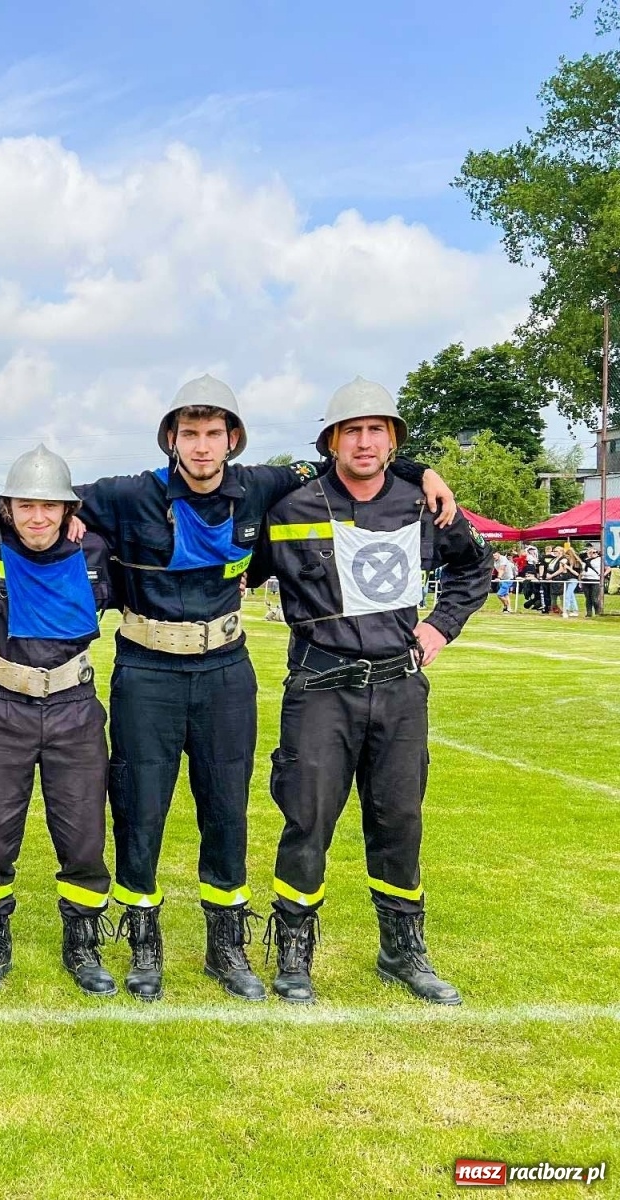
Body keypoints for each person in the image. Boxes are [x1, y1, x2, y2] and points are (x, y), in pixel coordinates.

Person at [0, 375, 454, 1001]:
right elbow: (40, 495)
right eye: (189, 433)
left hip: (225, 670)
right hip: (145, 671)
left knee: (226, 811)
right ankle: (145, 946)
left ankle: (227, 946)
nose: (201, 446)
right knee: (139, 811)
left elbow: (352, 457)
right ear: (171, 439)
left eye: (214, 434)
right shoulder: (126, 495)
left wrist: (422, 471)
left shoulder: (267, 485)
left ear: (233, 440)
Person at [257, 378, 489, 1006]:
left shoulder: (423, 503)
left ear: (393, 441)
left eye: (377, 431)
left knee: (400, 821)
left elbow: (476, 567)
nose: (365, 442)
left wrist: (441, 625)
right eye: (352, 430)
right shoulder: (288, 506)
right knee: (307, 818)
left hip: (399, 688)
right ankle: (296, 952)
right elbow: (234, 566)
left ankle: (402, 951)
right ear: (331, 440)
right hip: (319, 688)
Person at [0, 446, 119, 998]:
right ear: (7, 508)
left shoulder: (95, 548)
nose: (37, 517)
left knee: (84, 832)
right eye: (24, 506)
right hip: (1, 706)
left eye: (50, 506)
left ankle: (82, 940)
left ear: (70, 509)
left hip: (75, 707)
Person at [581, 546, 604, 617]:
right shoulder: (585, 560)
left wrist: (602, 575)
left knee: (594, 597)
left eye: (594, 552)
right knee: (588, 597)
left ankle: (597, 611)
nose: (592, 554)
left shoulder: (600, 559)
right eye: (591, 552)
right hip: (585, 579)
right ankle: (589, 613)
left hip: (595, 580)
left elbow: (608, 568)